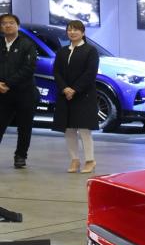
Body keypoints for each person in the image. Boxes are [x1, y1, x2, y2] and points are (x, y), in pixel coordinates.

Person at [51, 20, 100, 173]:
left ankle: (90, 160)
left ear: (83, 32)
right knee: (69, 129)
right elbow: (56, 72)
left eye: (76, 30)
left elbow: (90, 73)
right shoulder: (62, 51)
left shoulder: (90, 50)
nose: (72, 32)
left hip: (83, 95)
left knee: (84, 129)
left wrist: (75, 89)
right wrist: (65, 88)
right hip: (65, 95)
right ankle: (74, 160)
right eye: (69, 30)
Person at [0, 13, 40, 169]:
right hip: (3, 94)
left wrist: (8, 83)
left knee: (24, 127)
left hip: (25, 93)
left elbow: (28, 68)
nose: (7, 25)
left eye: (11, 22)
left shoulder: (27, 44)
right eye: (4, 23)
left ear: (18, 26)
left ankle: (20, 156)